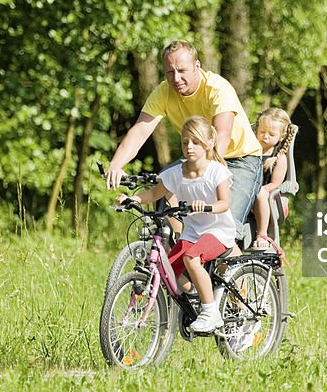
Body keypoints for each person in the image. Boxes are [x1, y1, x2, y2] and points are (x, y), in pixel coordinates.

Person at [105, 41, 263, 243]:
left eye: (182, 70)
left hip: (240, 159)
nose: (176, 78)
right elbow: (140, 131)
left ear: (197, 67)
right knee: (163, 187)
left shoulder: (217, 88)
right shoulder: (164, 92)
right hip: (197, 158)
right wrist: (116, 165)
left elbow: (221, 136)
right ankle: (180, 248)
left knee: (223, 228)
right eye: (169, 72)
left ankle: (233, 270)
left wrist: (206, 175)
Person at [117, 116, 237, 333]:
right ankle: (197, 295)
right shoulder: (175, 173)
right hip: (193, 232)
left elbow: (225, 203)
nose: (189, 147)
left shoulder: (216, 171)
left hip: (218, 231)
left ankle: (211, 312)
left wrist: (207, 207)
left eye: (196, 142)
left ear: (209, 143)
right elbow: (155, 193)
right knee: (168, 270)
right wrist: (133, 199)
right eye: (185, 142)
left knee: (191, 258)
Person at [251, 107, 293, 250]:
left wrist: (259, 189)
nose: (265, 136)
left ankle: (262, 234)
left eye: (271, 134)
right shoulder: (250, 151)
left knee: (260, 192)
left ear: (281, 137)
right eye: (262, 132)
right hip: (248, 196)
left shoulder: (278, 157)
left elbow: (275, 183)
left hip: (271, 200)